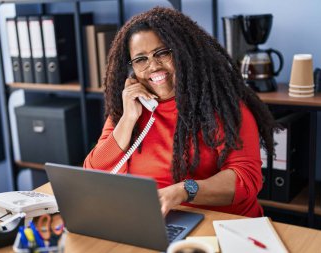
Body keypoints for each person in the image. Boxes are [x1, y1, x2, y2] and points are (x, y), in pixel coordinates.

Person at [84, 7, 277, 218]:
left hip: (221, 223)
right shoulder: (129, 107)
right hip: (157, 222)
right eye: (141, 59)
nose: (153, 66)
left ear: (184, 51)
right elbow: (93, 174)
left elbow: (246, 178)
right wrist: (127, 120)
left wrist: (183, 191)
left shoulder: (223, 106)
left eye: (162, 53)